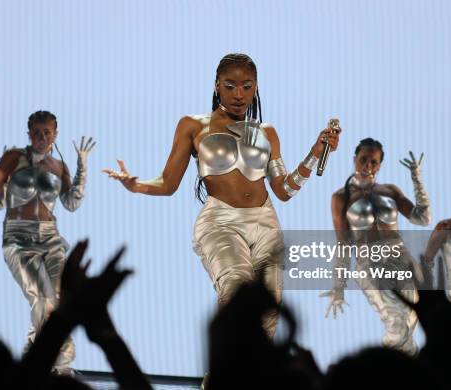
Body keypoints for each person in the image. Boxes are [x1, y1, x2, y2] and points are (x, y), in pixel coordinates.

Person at [104, 53, 339, 337]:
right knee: (236, 290)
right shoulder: (193, 126)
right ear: (216, 85)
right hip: (220, 221)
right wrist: (137, 184)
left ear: (256, 87)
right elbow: (168, 183)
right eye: (230, 86)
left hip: (265, 222)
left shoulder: (267, 132)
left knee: (269, 305)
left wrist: (314, 154)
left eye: (247, 86)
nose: (239, 94)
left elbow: (284, 190)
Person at [0, 110, 95, 374]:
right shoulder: (13, 158)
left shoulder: (58, 166)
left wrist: (81, 166)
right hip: (18, 239)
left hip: (51, 239)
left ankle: (34, 358)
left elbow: (72, 203)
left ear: (55, 135)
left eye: (47, 132)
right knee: (42, 299)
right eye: (37, 132)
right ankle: (59, 361)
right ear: (28, 133)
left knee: (59, 301)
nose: (41, 137)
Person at [323, 138, 430, 355]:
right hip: (369, 260)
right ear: (354, 160)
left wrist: (416, 178)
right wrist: (338, 286)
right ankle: (387, 371)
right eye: (363, 160)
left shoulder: (390, 190)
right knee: (395, 321)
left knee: (411, 319)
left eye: (373, 162)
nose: (367, 166)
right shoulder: (341, 197)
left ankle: (407, 370)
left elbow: (422, 219)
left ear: (379, 165)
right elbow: (343, 243)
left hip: (400, 256)